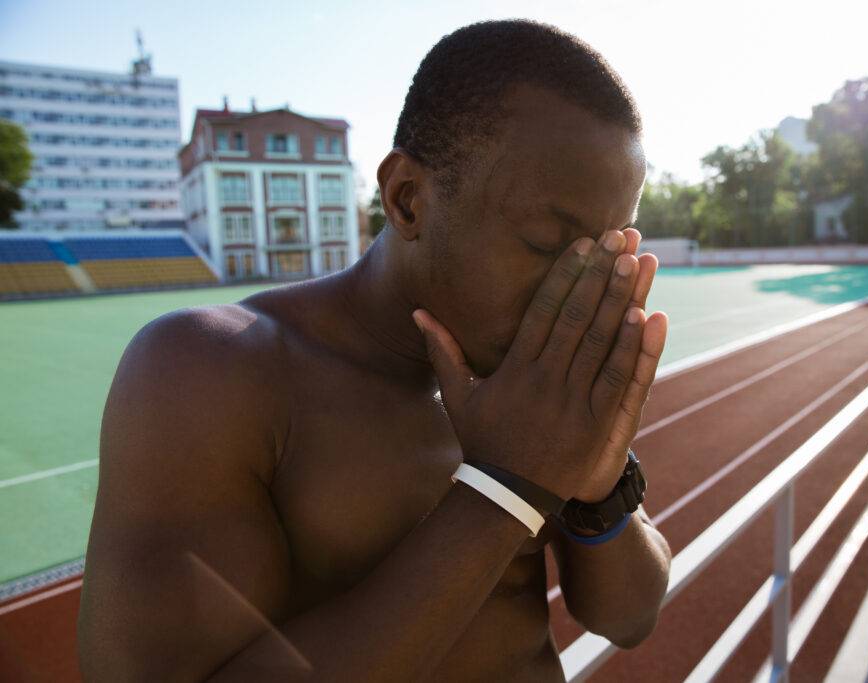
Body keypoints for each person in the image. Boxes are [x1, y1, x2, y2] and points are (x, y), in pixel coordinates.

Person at [78, 19, 672, 682]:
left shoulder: (531, 369)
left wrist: (599, 485)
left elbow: (629, 617)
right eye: (544, 244)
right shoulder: (210, 371)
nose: (575, 292)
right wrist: (505, 487)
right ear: (407, 199)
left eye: (604, 254)